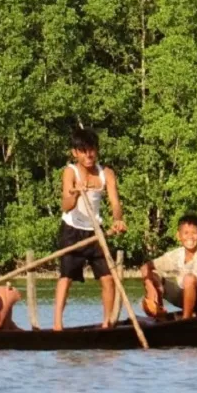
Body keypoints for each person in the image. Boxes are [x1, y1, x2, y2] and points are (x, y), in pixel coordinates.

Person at [53, 126, 126, 331]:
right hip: (72, 229)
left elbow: (115, 204)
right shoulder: (70, 171)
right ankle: (57, 325)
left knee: (108, 278)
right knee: (66, 278)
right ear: (75, 153)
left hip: (96, 232)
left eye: (92, 149)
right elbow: (65, 205)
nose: (89, 155)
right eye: (83, 150)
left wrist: (117, 220)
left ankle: (107, 325)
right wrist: (75, 194)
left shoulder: (106, 174)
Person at [140, 215, 197, 322]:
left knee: (189, 279)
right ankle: (160, 315)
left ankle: (185, 320)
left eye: (194, 233)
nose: (190, 237)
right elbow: (145, 267)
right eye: (186, 233)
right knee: (153, 276)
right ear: (178, 235)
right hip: (185, 298)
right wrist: (151, 289)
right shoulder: (176, 255)